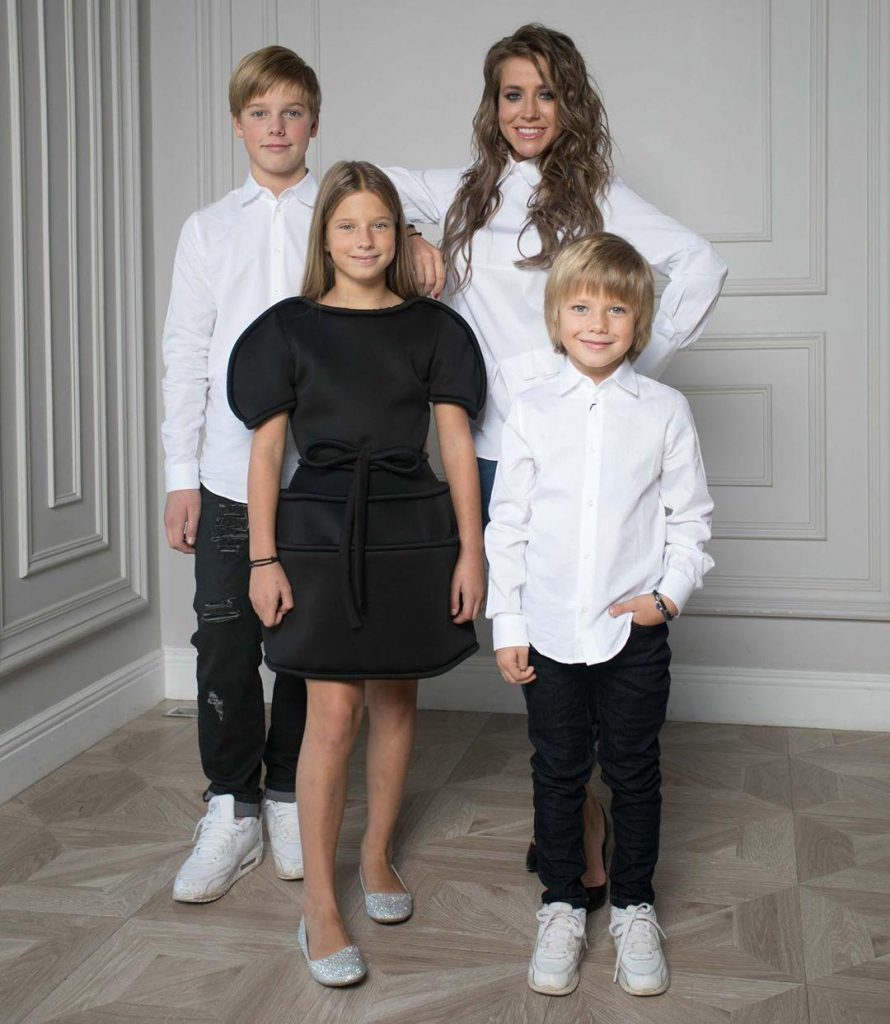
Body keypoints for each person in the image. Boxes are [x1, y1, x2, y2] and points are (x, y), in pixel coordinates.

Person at [390, 21, 727, 894]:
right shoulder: (460, 193)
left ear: (571, 103)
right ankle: (575, 817)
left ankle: (589, 831)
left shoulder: (597, 196)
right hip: (487, 450)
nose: (529, 110)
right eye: (513, 94)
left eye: (546, 93)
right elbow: (354, 183)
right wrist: (416, 234)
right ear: (492, 105)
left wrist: (626, 376)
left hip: (575, 449)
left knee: (581, 649)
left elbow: (701, 265)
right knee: (530, 648)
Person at [228, 161, 486, 987]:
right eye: (348, 226)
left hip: (412, 534)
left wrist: (472, 551)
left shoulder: (435, 329)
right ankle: (319, 906)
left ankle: (376, 856)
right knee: (332, 714)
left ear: (399, 235)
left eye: (380, 225)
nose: (365, 240)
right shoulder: (286, 330)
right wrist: (262, 558)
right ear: (325, 237)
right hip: (317, 536)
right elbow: (266, 455)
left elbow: (455, 446)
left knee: (397, 701)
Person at [486, 232, 714, 997]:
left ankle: (634, 906)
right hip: (548, 630)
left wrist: (667, 597)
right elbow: (508, 526)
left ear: (638, 321)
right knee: (557, 771)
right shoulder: (530, 410)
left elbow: (690, 519)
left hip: (632, 633)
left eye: (616, 309)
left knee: (633, 771)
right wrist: (509, 624)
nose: (597, 323)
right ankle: (560, 904)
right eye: (581, 307)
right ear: (557, 316)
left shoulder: (665, 411)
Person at [160, 46, 322, 902]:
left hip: (317, 475)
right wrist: (180, 472)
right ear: (237, 125)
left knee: (303, 642)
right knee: (224, 639)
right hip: (225, 472)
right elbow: (185, 353)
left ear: (313, 122)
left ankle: (289, 792)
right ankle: (233, 804)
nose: (276, 127)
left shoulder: (342, 215)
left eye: (291, 112)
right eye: (260, 113)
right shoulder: (208, 228)